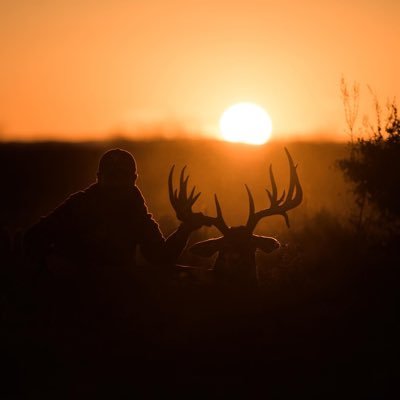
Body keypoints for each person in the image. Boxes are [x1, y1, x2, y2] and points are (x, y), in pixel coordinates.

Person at [23, 148, 206, 274]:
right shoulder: (79, 204)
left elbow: (159, 257)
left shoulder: (137, 215)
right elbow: (32, 239)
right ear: (99, 178)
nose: (116, 183)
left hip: (116, 295)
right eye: (111, 177)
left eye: (122, 177)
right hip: (73, 295)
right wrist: (52, 263)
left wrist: (185, 230)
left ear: (133, 179)